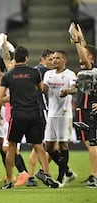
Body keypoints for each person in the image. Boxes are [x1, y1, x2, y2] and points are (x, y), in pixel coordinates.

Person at [0, 46, 59, 189]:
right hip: (35, 114)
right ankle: (47, 175)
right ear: (26, 58)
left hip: (18, 115)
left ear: (15, 59)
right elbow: (41, 89)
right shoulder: (35, 72)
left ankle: (9, 182)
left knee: (11, 147)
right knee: (38, 146)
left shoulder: (8, 76)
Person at [42, 50, 77, 186]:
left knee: (63, 144)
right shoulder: (48, 74)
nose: (54, 61)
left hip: (64, 113)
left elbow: (75, 89)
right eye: (53, 58)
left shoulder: (69, 74)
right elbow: (44, 89)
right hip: (51, 114)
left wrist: (67, 91)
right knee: (49, 146)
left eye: (57, 58)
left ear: (64, 60)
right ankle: (68, 172)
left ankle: (61, 177)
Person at [70, 23, 97, 188]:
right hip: (83, 109)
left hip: (87, 109)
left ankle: (95, 176)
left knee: (91, 143)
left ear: (91, 58)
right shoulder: (88, 68)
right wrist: (80, 38)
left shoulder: (90, 67)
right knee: (90, 143)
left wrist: (77, 42)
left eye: (85, 54)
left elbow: (85, 58)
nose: (81, 56)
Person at [26, 48, 55, 186]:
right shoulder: (44, 71)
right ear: (43, 58)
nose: (53, 62)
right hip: (43, 110)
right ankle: (36, 174)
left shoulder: (34, 70)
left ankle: (34, 175)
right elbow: (45, 89)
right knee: (43, 145)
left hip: (35, 109)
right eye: (50, 59)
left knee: (39, 145)